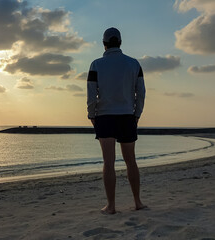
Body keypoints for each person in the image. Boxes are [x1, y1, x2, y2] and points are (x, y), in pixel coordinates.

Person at [87, 27, 146, 214]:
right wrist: (137, 114)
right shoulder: (133, 64)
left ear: (104, 44)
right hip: (127, 115)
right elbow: (141, 93)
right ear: (120, 42)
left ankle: (111, 206)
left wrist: (91, 114)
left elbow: (91, 94)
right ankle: (137, 202)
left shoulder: (96, 64)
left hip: (105, 116)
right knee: (131, 162)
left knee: (108, 163)